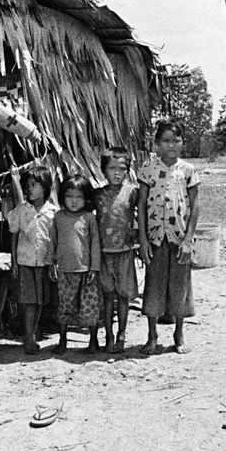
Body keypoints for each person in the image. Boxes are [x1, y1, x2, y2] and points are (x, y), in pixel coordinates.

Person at [137, 121, 201, 355]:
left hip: (178, 236)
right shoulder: (148, 168)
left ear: (183, 142)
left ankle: (179, 334)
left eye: (176, 140)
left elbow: (195, 205)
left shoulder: (188, 170)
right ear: (156, 144)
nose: (171, 145)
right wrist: (143, 240)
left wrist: (188, 240)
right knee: (154, 284)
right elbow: (141, 204)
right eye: (165, 141)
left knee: (180, 286)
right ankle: (152, 335)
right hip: (155, 237)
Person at [6, 164, 58, 355]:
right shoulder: (21, 210)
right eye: (27, 185)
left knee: (39, 302)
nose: (29, 188)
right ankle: (28, 337)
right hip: (26, 262)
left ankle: (32, 334)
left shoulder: (53, 212)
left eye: (34, 184)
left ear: (45, 187)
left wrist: (53, 262)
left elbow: (54, 240)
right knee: (28, 301)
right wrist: (13, 262)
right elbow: (13, 235)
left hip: (44, 263)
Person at [93, 147, 139, 353]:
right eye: (112, 168)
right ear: (104, 170)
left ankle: (121, 335)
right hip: (103, 253)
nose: (117, 173)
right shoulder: (98, 195)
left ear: (128, 170)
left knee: (123, 296)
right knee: (107, 297)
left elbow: (142, 217)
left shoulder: (133, 193)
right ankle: (108, 336)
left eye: (122, 168)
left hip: (125, 253)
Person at [49, 175, 102, 354]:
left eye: (78, 197)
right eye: (69, 196)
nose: (73, 201)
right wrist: (51, 263)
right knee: (64, 306)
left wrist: (94, 267)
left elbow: (95, 244)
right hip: (64, 270)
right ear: (63, 197)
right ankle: (63, 341)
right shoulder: (58, 217)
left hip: (86, 271)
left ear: (86, 198)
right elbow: (53, 241)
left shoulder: (89, 218)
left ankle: (93, 341)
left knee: (89, 307)